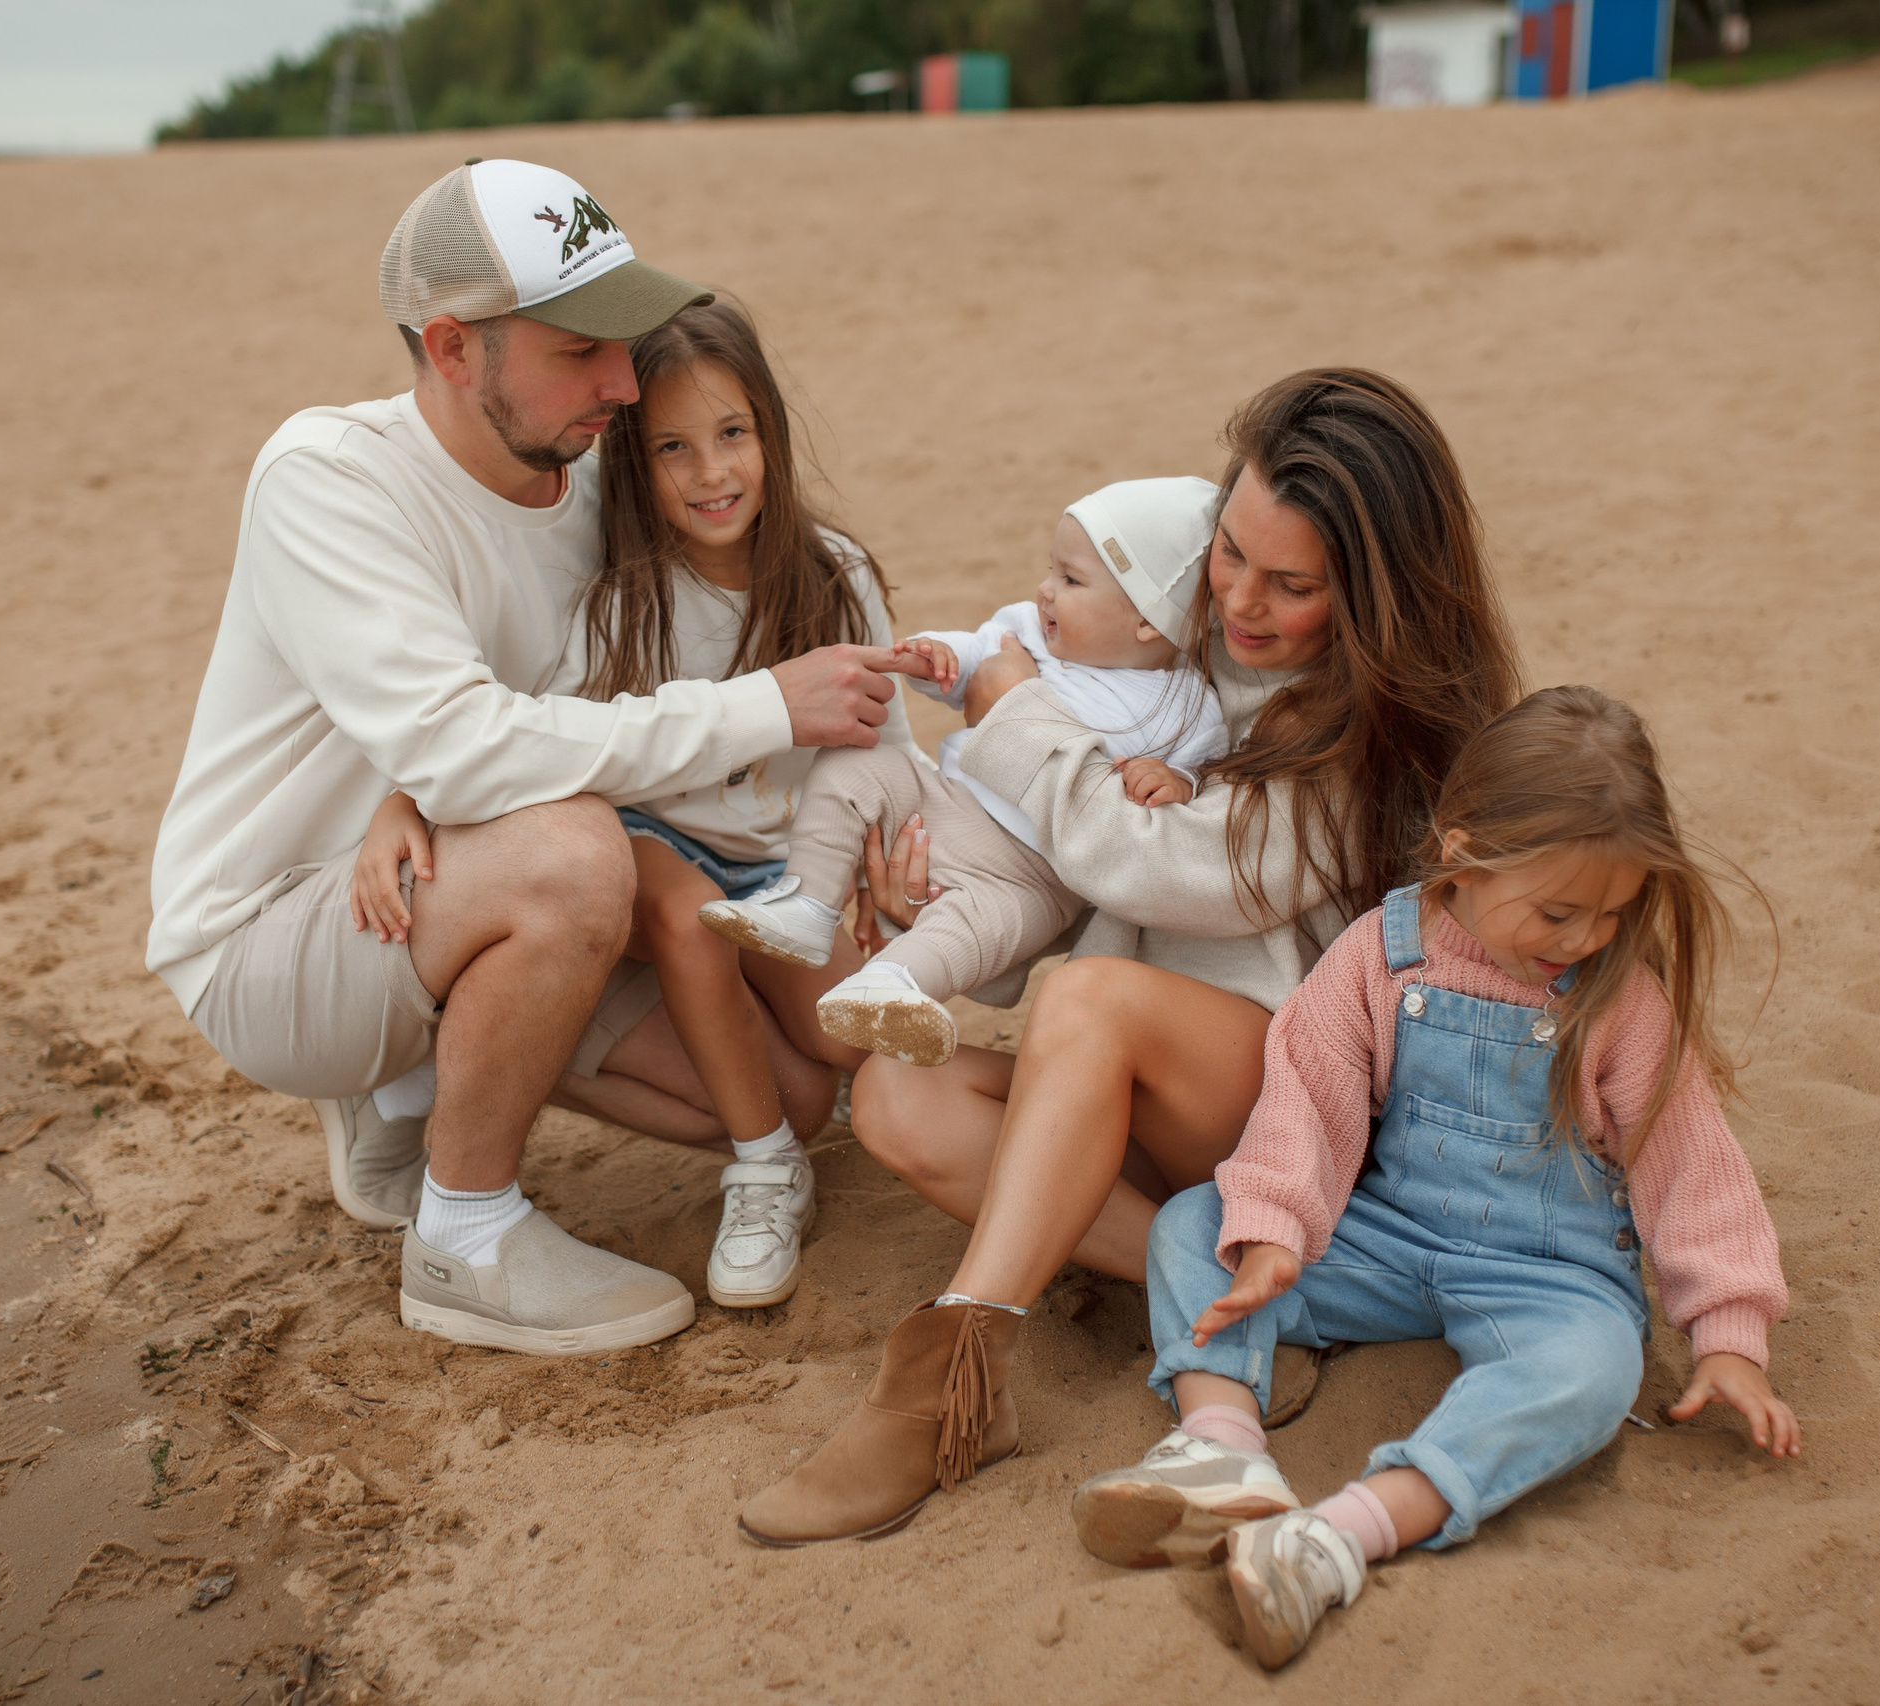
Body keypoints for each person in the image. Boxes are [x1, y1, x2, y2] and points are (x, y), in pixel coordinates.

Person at [736, 369, 1523, 1546]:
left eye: (1292, 584)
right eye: (1229, 555)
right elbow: (1071, 883)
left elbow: (1172, 876)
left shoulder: (1362, 728)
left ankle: (954, 1372)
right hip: (1157, 1089)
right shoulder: (1171, 655)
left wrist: (1012, 711)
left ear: (1373, 592)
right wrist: (939, 898)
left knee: (1094, 1000)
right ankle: (1241, 1308)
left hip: (1302, 1110)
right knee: (897, 1093)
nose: (1243, 602)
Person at [145, 158, 915, 1358]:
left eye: (626, 333)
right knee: (571, 854)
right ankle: (466, 1234)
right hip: (286, 929)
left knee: (782, 1095)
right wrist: (762, 709)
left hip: (456, 871)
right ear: (452, 349)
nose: (624, 378)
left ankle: (409, 1082)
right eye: (578, 347)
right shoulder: (328, 479)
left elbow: (617, 658)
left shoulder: (604, 459)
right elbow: (469, 753)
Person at [1077, 685, 1797, 1670]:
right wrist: (1277, 1229)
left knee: (1590, 1372)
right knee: (1194, 1222)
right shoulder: (1386, 948)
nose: (1582, 936)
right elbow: (1307, 1091)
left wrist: (1728, 1333)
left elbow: (1689, 1162)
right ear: (1460, 848)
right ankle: (1222, 1448)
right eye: (1556, 909)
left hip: (1548, 1271)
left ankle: (1341, 1533)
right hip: (1388, 1233)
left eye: (1610, 912)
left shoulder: (1619, 997)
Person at [350, 297, 910, 1312]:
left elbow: (890, 742)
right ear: (632, 465)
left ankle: (504, 1060)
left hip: (783, 862)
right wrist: (401, 798)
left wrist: (885, 842)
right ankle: (763, 1164)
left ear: (769, 433)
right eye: (673, 447)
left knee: (839, 1042)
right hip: (657, 842)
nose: (712, 472)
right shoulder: (623, 600)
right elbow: (518, 735)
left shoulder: (834, 575)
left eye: (733, 434)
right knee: (686, 917)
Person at [698, 477, 1227, 1067]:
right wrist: (937, 658)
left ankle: (895, 984)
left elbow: (1201, 795)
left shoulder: (1189, 709)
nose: (1045, 590)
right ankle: (809, 903)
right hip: (944, 803)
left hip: (1036, 875)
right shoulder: (1029, 632)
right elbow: (974, 655)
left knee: (982, 927)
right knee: (859, 760)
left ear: (1149, 621)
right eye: (1052, 571)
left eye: (1071, 581)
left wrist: (1177, 783)